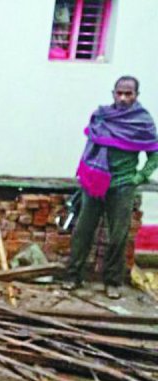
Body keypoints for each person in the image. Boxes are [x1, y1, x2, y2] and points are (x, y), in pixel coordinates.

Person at [63, 76, 158, 299]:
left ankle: (112, 281)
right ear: (113, 93)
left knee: (118, 235)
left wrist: (141, 176)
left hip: (122, 184)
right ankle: (73, 276)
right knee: (83, 231)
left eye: (129, 93)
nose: (123, 97)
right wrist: (86, 172)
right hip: (94, 182)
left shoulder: (142, 122)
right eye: (120, 93)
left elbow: (154, 154)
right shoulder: (101, 117)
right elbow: (90, 147)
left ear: (136, 95)